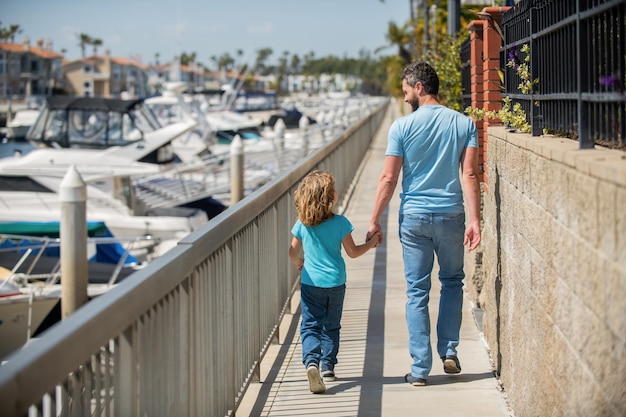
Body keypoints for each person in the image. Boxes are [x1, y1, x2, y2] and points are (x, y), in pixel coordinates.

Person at [367, 61, 481, 387]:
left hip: (414, 218)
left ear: (419, 87)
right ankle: (449, 352)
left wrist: (374, 220)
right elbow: (470, 174)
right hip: (451, 215)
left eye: (406, 91)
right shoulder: (464, 124)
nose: (404, 99)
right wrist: (475, 219)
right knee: (452, 282)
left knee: (417, 292)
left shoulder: (401, 128)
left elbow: (389, 178)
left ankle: (419, 370)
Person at [289, 170, 380, 394]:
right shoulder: (340, 223)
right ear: (329, 197)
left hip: (311, 283)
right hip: (336, 283)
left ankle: (312, 362)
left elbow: (291, 252)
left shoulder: (302, 223)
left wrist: (298, 262)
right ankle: (328, 367)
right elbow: (353, 252)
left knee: (310, 324)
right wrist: (372, 243)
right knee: (331, 325)